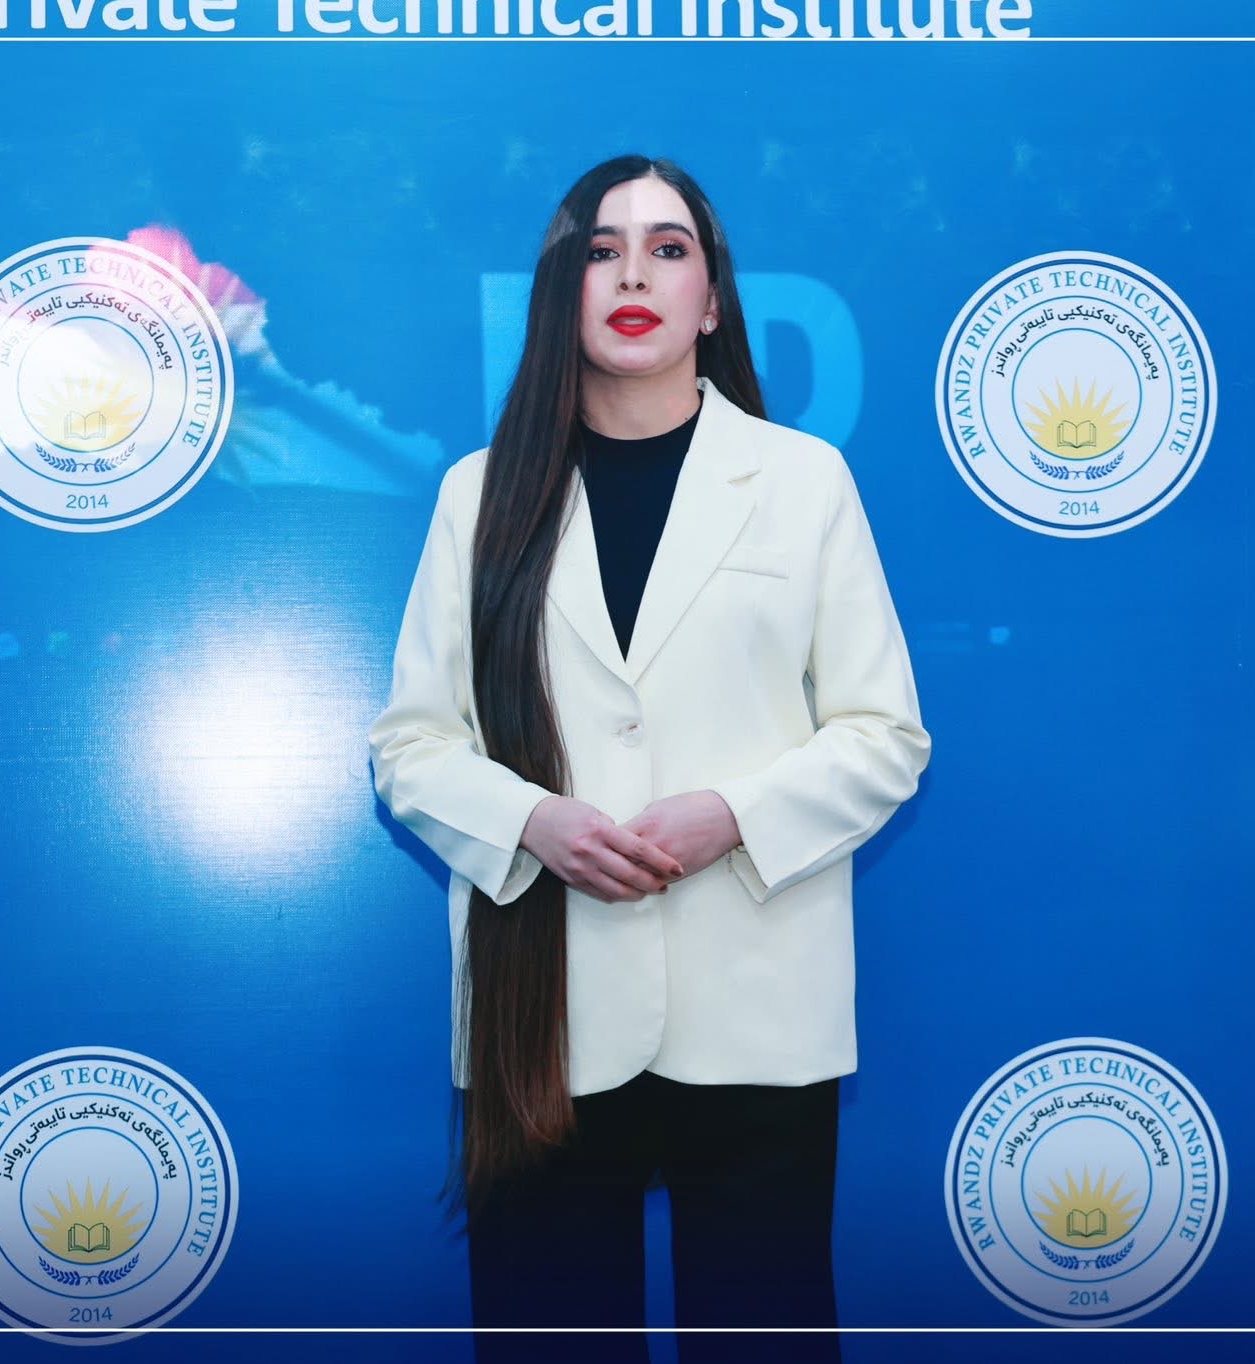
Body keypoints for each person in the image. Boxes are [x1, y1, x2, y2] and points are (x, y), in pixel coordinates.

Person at [367, 153, 930, 1362]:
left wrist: (732, 812)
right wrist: (533, 822)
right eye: (600, 250)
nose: (632, 275)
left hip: (756, 1006)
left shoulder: (802, 481)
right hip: (544, 1017)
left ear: (711, 300)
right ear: (558, 292)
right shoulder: (479, 494)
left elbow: (885, 735)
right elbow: (411, 745)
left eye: (667, 249)